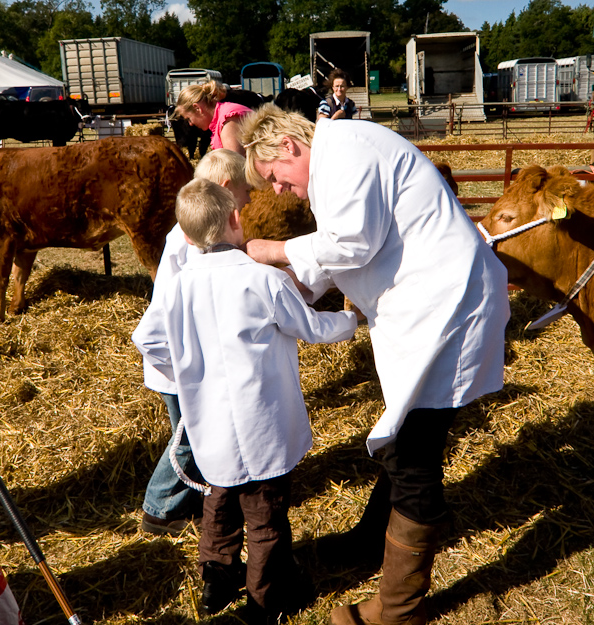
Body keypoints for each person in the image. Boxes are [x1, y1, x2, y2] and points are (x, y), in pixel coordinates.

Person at [240, 105, 510, 625]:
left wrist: (274, 251)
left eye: (274, 177)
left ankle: (398, 609)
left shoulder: (345, 154)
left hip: (444, 310)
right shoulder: (342, 157)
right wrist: (297, 286)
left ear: (289, 148)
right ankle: (372, 541)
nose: (277, 190)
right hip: (429, 308)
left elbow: (352, 242)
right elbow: (346, 248)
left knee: (412, 454)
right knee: (407, 435)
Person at [142, 178, 357, 623]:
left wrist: (186, 370)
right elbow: (313, 329)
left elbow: (148, 339)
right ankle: (265, 603)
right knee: (265, 516)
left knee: (218, 501)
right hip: (264, 422)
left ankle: (215, 583)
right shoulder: (264, 280)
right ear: (236, 220)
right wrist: (350, 319)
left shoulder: (178, 287)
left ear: (185, 235)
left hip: (211, 424)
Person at [132, 150, 253, 536]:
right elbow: (160, 322)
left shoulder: (190, 232)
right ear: (226, 190)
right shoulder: (190, 242)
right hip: (178, 363)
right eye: (246, 191)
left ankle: (198, 497)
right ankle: (159, 508)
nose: (249, 200)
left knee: (196, 430)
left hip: (184, 357)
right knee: (188, 436)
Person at [173, 81, 252, 155]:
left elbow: (234, 165)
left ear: (197, 108)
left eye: (189, 118)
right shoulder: (223, 117)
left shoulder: (229, 121)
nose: (190, 123)